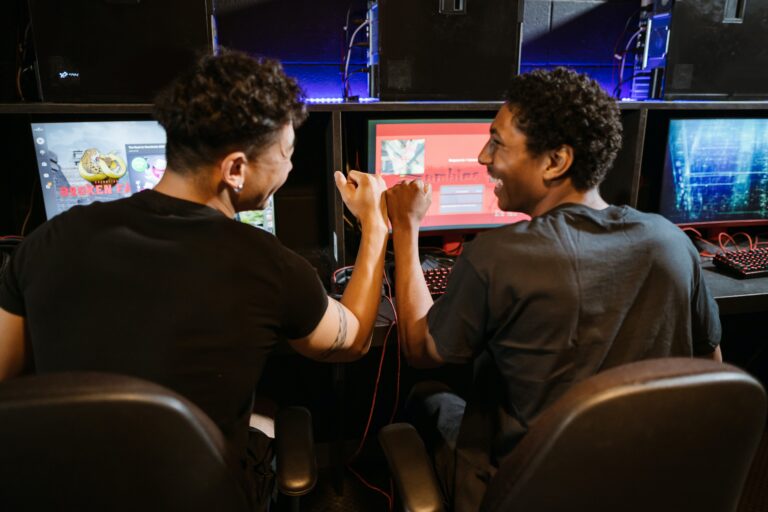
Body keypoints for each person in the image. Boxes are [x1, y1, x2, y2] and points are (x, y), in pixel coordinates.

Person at [0, 50, 388, 511]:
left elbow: (7, 385)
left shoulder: (47, 241)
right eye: (286, 154)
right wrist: (376, 226)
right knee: (264, 414)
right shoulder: (268, 265)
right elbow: (356, 339)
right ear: (236, 170)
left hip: (61, 492)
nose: (288, 168)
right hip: (202, 498)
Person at [385, 67, 722, 511]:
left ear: (555, 161)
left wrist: (405, 229)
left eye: (497, 143)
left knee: (428, 396)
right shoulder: (671, 242)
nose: (484, 158)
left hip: (525, 492)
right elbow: (710, 370)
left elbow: (421, 349)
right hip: (645, 484)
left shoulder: (496, 256)